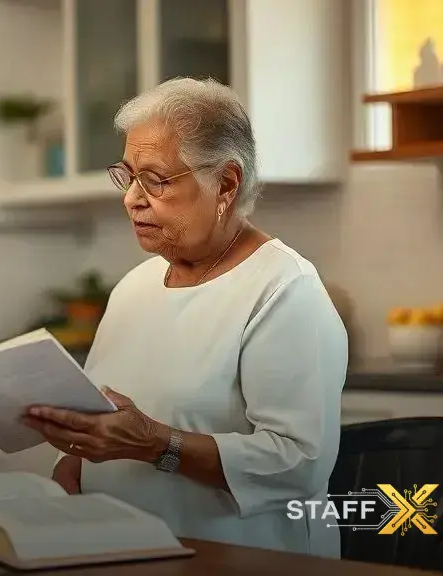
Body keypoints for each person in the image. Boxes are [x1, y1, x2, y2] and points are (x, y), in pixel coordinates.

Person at [21, 77, 347, 558]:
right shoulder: (134, 287)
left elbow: (299, 464)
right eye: (128, 175)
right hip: (128, 553)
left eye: (154, 180)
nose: (131, 198)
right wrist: (71, 462)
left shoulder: (283, 290)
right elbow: (104, 417)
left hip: (246, 561)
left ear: (226, 183)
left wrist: (156, 444)